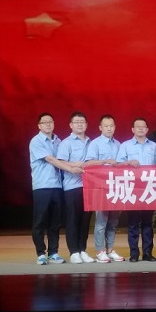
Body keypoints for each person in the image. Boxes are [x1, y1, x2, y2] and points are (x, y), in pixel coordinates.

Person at [29, 112, 84, 265]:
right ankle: (41, 253)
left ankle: (53, 252)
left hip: (58, 186)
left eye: (50, 121)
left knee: (56, 222)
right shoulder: (36, 141)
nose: (48, 124)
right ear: (39, 126)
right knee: (40, 221)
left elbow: (63, 159)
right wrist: (71, 168)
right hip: (42, 186)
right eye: (44, 122)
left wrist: (75, 164)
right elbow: (52, 160)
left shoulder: (58, 141)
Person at [116, 117, 156, 262]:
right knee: (133, 223)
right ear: (132, 129)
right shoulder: (125, 146)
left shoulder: (154, 146)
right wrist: (128, 162)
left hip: (149, 188)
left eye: (143, 126)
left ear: (147, 129)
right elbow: (118, 165)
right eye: (138, 126)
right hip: (132, 188)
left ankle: (147, 253)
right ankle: (134, 253)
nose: (141, 128)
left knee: (148, 223)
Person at [84, 114, 124, 263]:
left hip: (116, 187)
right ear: (100, 128)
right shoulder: (95, 144)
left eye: (111, 126)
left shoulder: (118, 144)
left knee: (113, 222)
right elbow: (88, 163)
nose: (109, 128)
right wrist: (105, 161)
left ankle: (110, 249)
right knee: (101, 222)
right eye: (106, 126)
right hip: (100, 187)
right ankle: (99, 251)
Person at [57, 111, 95, 264]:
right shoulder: (66, 143)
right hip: (72, 186)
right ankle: (73, 252)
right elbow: (60, 162)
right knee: (72, 219)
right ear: (71, 125)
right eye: (76, 122)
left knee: (85, 220)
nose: (80, 124)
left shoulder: (91, 142)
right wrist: (74, 165)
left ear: (86, 125)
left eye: (82, 122)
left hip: (89, 186)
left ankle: (82, 249)